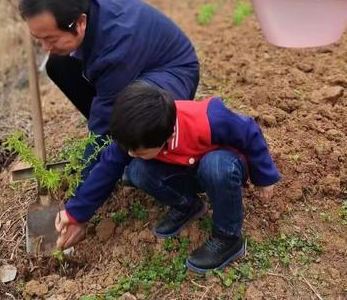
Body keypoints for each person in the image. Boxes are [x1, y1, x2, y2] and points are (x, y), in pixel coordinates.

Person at [55, 81, 281, 272]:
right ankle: (188, 205)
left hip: (222, 170)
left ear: (168, 134)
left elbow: (250, 132)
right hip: (188, 170)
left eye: (139, 150)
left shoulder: (209, 119)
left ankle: (228, 237)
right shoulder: (136, 134)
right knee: (136, 170)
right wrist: (75, 213)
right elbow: (106, 169)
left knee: (216, 166)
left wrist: (264, 176)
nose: (131, 153)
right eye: (129, 149)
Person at [18, 0, 199, 178]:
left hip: (171, 72)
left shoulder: (115, 49)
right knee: (58, 63)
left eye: (51, 38)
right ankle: (116, 139)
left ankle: (137, 156)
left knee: (131, 110)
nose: (44, 47)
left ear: (80, 23)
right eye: (38, 38)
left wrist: (83, 178)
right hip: (135, 59)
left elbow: (103, 118)